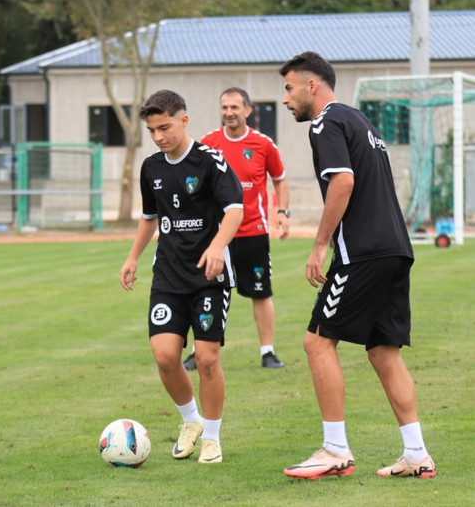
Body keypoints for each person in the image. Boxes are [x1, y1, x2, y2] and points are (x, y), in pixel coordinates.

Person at [278, 51, 435, 479]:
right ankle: (417, 454)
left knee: (317, 342)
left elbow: (343, 181)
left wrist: (318, 245)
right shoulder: (361, 122)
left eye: (289, 88)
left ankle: (335, 450)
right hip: (395, 249)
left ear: (313, 85)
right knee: (384, 352)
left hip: (362, 252)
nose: (286, 99)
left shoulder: (326, 122)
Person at [119, 89, 243, 464]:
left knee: (206, 359)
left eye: (165, 127)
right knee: (165, 357)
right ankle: (191, 421)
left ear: (184, 120)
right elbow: (149, 218)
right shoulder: (151, 168)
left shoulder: (211, 162)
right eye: (153, 130)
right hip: (168, 278)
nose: (159, 137)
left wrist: (217, 246)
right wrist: (132, 257)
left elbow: (235, 210)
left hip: (209, 276)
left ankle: (213, 437)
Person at [183, 87, 289, 371]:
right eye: (225, 108)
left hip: (254, 232)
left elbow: (280, 179)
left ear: (248, 111)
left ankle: (268, 352)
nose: (229, 112)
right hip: (217, 237)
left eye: (235, 108)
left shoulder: (263, 144)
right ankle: (197, 350)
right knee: (205, 291)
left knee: (260, 293)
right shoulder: (208, 143)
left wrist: (282, 212)